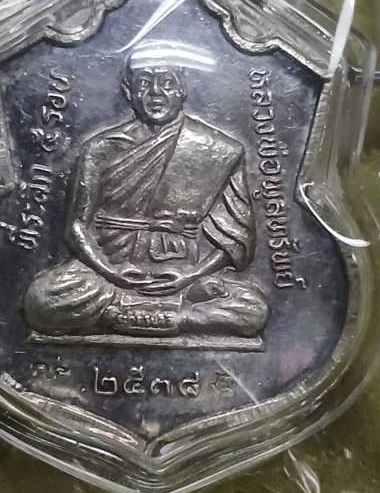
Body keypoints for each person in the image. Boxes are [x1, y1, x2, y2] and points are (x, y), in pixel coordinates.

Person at [25, 54, 268, 338]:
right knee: (42, 300)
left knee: (253, 308)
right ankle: (175, 317)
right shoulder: (101, 148)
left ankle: (128, 315)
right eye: (144, 83)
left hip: (183, 273)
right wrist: (110, 272)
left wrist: (191, 275)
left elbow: (236, 240)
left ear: (183, 89)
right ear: (128, 92)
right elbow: (77, 226)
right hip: (109, 270)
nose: (155, 93)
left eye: (167, 83)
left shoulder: (221, 149)